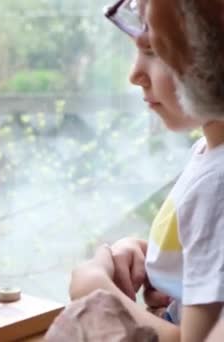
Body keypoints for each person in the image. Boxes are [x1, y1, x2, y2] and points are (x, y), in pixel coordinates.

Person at [69, 1, 224, 341]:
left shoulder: (218, 184)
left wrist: (96, 292)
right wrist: (157, 256)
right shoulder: (208, 152)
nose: (135, 74)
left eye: (154, 50)